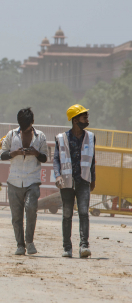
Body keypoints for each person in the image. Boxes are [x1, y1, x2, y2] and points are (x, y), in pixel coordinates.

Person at [0, 108, 48, 255]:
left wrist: (36, 153)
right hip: (14, 180)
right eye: (21, 125)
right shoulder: (11, 135)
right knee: (16, 215)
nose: (23, 128)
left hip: (32, 180)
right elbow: (3, 155)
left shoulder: (40, 136)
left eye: (26, 125)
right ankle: (20, 245)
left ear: (32, 122)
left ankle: (30, 242)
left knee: (31, 209)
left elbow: (45, 157)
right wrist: (14, 153)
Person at [54, 105, 95, 258]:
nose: (87, 120)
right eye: (84, 117)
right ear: (75, 119)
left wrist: (93, 179)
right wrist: (57, 175)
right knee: (66, 214)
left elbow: (92, 161)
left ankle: (84, 246)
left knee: (84, 213)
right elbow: (56, 159)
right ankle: (67, 248)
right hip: (66, 182)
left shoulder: (90, 137)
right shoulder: (62, 138)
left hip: (84, 180)